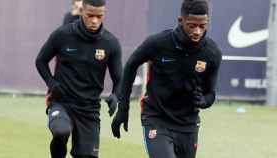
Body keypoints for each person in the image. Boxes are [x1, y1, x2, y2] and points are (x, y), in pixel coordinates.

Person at [111, 0, 222, 158]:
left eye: (202, 26)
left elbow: (210, 94)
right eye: (192, 26)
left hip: (188, 125)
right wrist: (124, 108)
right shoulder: (158, 43)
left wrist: (203, 101)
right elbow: (130, 66)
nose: (197, 31)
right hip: (156, 118)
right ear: (181, 20)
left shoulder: (212, 53)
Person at [35, 0, 122, 157]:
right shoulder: (62, 35)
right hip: (62, 102)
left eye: (99, 16)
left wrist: (116, 95)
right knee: (61, 132)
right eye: (90, 15)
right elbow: (40, 61)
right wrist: (51, 83)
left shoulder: (111, 43)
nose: (94, 20)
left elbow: (119, 79)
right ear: (82, 11)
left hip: (89, 110)